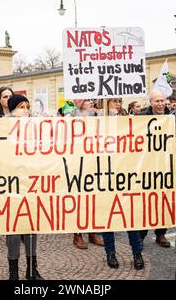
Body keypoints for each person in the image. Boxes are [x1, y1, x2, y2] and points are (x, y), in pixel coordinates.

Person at [97, 98, 145, 270]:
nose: (117, 104)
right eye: (113, 102)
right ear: (105, 103)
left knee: (130, 216)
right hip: (104, 174)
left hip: (126, 174)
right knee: (107, 217)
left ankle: (137, 253)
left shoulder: (128, 120)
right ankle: (110, 252)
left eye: (118, 101)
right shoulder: (97, 121)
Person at [5, 94, 44, 280]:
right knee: (13, 231)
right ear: (12, 110)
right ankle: (13, 271)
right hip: (10, 188)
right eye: (21, 107)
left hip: (31, 185)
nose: (26, 111)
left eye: (27, 107)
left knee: (31, 229)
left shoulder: (35, 128)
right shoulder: (3, 128)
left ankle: (31, 269)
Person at [138, 91, 176, 248]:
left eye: (162, 100)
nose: (160, 103)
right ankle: (141, 235)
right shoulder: (141, 118)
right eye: (157, 101)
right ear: (151, 103)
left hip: (166, 166)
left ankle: (161, 233)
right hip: (146, 165)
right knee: (144, 201)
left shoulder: (173, 118)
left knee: (163, 200)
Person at [68, 99, 104, 249]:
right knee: (79, 199)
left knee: (94, 198)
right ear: (80, 102)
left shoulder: (97, 115)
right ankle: (78, 234)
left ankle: (93, 232)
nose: (90, 102)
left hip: (93, 160)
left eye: (91, 99)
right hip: (77, 162)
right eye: (87, 100)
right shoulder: (70, 117)